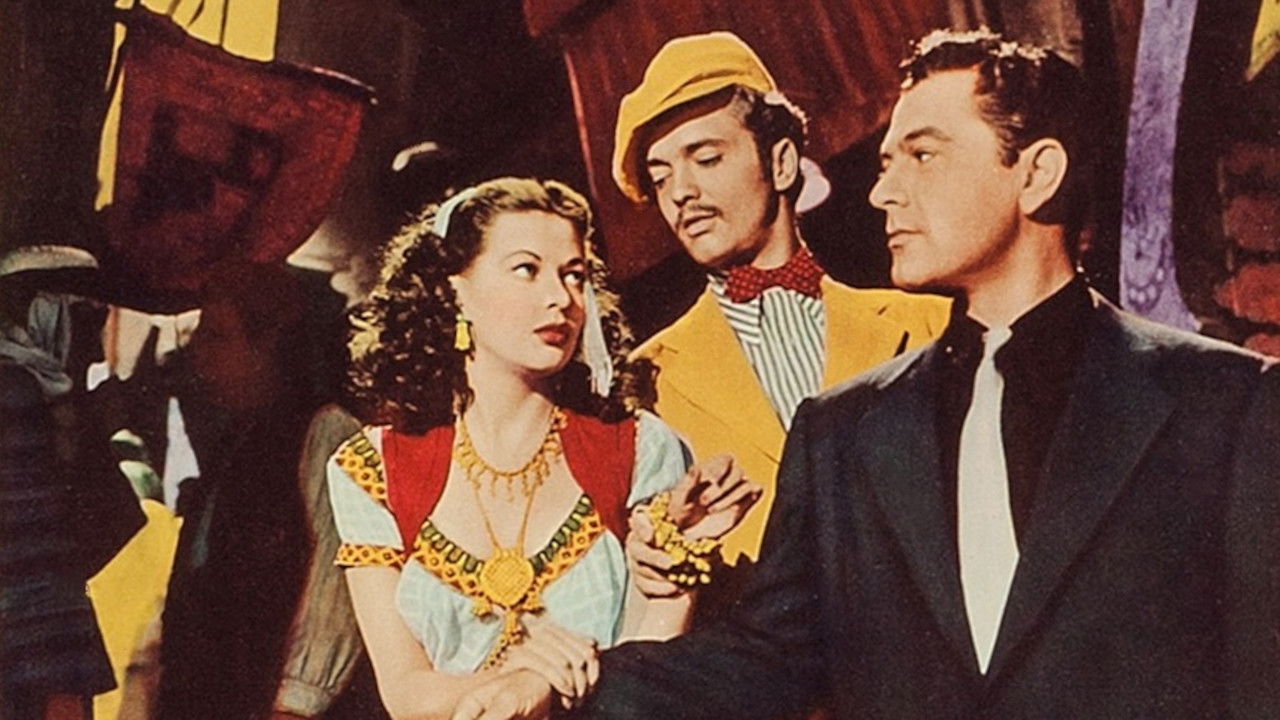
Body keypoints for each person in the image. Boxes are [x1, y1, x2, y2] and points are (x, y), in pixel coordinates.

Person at [457, 29, 1280, 719]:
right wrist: (573, 681)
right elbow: (770, 654)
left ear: (1036, 173)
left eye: (922, 154)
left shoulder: (1230, 404)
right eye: (886, 161)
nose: (882, 191)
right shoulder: (842, 429)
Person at [327, 177, 760, 719]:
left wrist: (545, 684)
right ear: (455, 289)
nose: (561, 299)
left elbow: (653, 660)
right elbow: (408, 697)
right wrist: (518, 677)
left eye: (574, 275)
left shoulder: (637, 448)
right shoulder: (374, 469)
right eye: (526, 270)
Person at [612, 31, 950, 576]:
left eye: (705, 158)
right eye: (661, 177)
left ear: (783, 163)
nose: (680, 192)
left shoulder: (931, 323)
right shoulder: (646, 382)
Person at [0, 245, 145, 720]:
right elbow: (38, 560)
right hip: (37, 647)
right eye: (85, 321)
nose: (95, 346)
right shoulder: (17, 391)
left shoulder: (35, 389)